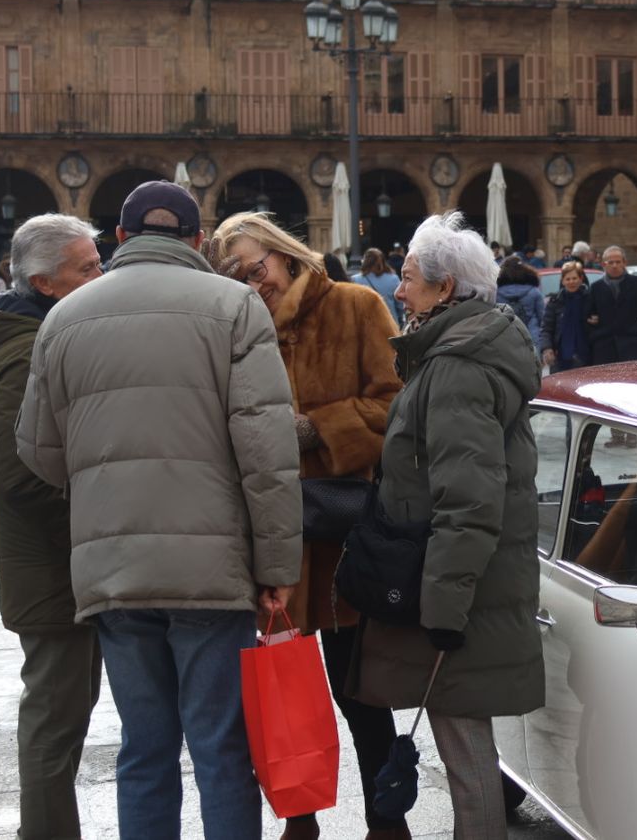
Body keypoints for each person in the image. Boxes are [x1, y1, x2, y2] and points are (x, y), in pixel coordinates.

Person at [16, 180, 302, 839]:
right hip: (211, 571)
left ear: (120, 237)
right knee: (220, 748)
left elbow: (37, 449)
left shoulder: (65, 317)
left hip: (114, 571)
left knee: (144, 750)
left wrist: (99, 484)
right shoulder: (235, 306)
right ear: (199, 241)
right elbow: (267, 451)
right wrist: (278, 563)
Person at [209, 212, 407, 840]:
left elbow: (394, 402)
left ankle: (385, 817)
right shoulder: (235, 326)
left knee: (362, 692)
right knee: (285, 690)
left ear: (284, 253)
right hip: (275, 540)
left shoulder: (355, 305)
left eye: (254, 264)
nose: (251, 279)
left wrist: (316, 429)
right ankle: (300, 816)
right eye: (235, 272)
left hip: (347, 535)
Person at [348, 211, 544, 837]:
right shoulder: (459, 351)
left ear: (446, 289)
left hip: (462, 592)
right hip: (464, 583)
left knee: (464, 751)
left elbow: (469, 499)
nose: (397, 291)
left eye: (407, 278)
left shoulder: (457, 366)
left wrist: (443, 608)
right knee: (464, 742)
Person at [0, 214, 106, 840]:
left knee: (62, 713)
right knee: (55, 717)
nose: (101, 277)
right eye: (87, 269)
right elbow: (20, 477)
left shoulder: (39, 334)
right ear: (45, 283)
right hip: (50, 571)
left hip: (55, 566)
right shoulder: (24, 352)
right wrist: (101, 511)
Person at [586, 247, 637, 447]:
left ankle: (632, 434)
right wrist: (595, 332)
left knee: (631, 392)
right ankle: (617, 435)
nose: (614, 266)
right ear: (603, 264)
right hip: (605, 346)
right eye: (610, 262)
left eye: (618, 262)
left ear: (624, 262)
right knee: (610, 393)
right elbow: (588, 314)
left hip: (631, 344)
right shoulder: (596, 287)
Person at [540, 260, 592, 373]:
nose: (571, 282)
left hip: (586, 356)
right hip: (561, 357)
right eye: (567, 279)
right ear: (562, 281)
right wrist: (547, 348)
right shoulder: (555, 302)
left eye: (574, 278)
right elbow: (546, 328)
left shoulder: (590, 299)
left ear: (581, 279)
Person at [495, 256, 546, 352]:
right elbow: (542, 319)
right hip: (532, 338)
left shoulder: (496, 293)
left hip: (504, 339)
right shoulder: (534, 291)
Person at [354, 247, 405, 325]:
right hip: (390, 325)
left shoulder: (356, 280)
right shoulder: (393, 279)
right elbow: (400, 305)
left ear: (365, 261)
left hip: (365, 326)